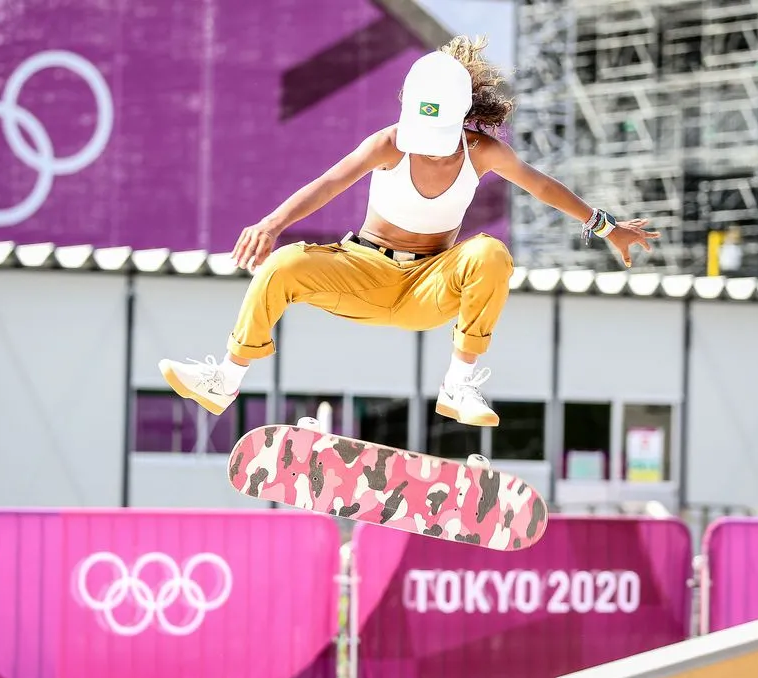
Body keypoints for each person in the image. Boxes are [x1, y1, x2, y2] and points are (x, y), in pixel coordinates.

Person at [160, 36, 657, 428]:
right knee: (283, 265)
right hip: (362, 271)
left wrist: (606, 226)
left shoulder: (482, 151)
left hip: (430, 288)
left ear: (463, 118)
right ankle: (225, 379)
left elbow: (542, 186)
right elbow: (329, 184)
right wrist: (272, 224)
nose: (433, 151)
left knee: (489, 253)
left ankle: (458, 385)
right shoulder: (389, 143)